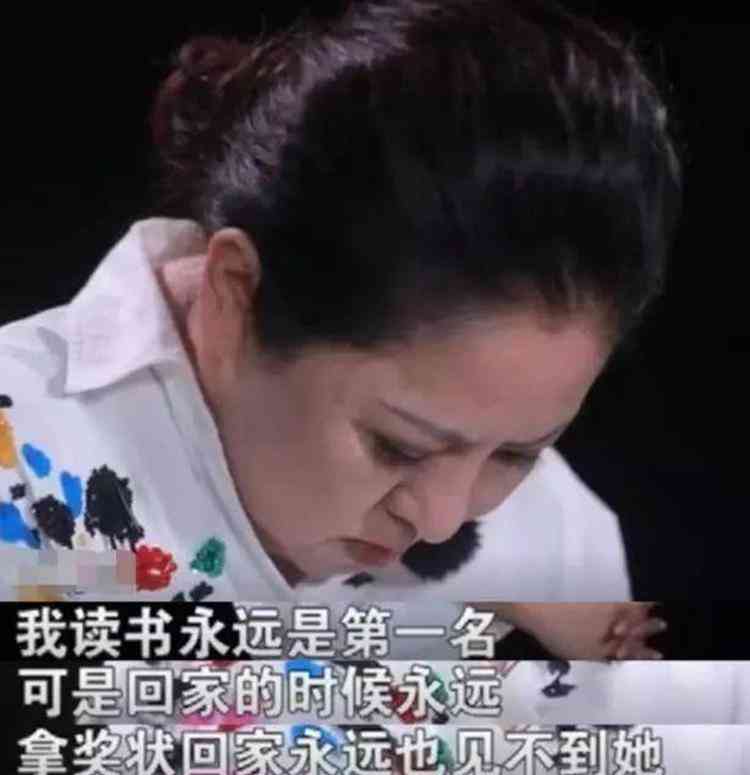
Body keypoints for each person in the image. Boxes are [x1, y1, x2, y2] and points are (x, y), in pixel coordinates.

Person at [0, 0, 681, 660]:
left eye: (517, 454)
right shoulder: (23, 475)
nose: (443, 520)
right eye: (399, 446)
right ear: (234, 293)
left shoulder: (554, 538)